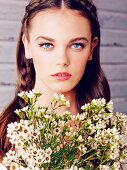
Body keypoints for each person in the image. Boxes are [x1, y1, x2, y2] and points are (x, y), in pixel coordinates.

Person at [0, 0, 110, 163]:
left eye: (77, 45)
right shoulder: (5, 135)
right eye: (46, 45)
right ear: (27, 46)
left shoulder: (111, 136)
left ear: (91, 49)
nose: (62, 60)